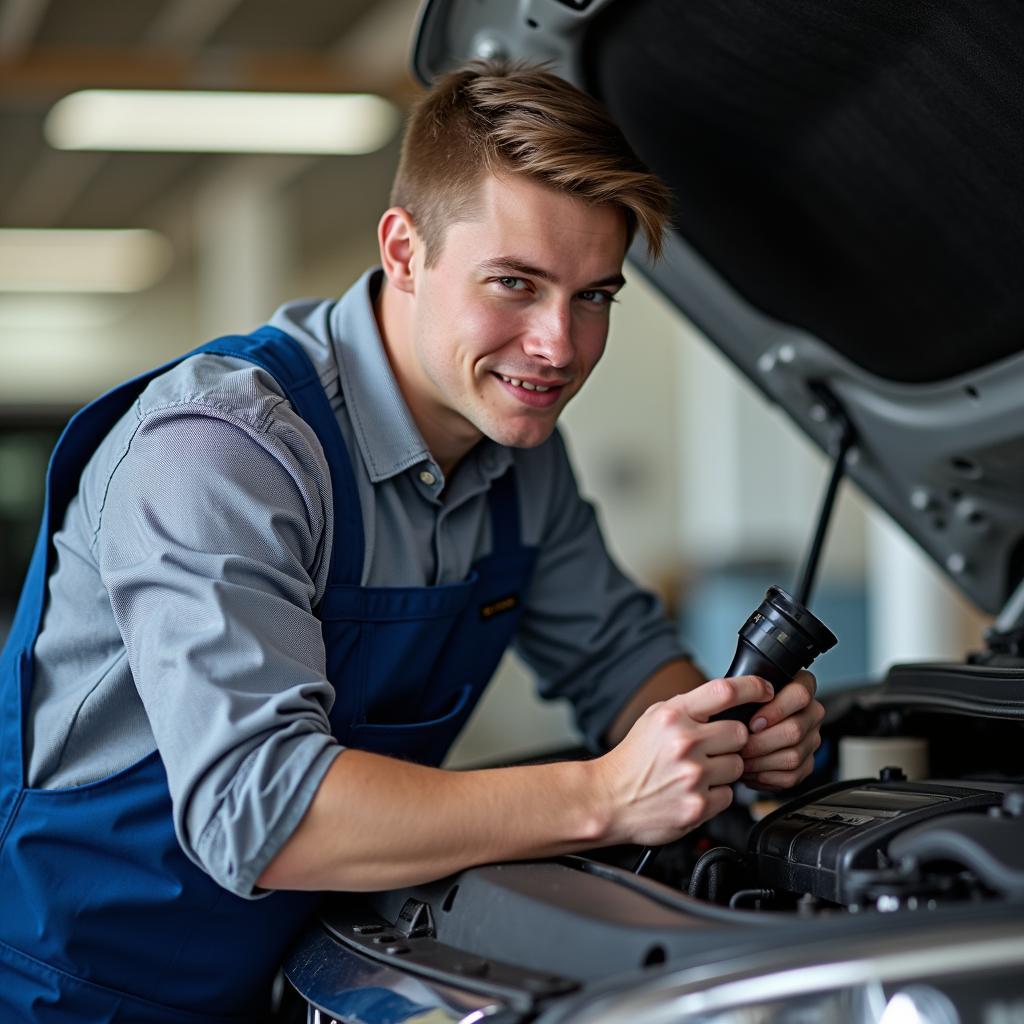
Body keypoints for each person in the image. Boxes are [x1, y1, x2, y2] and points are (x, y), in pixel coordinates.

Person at [0, 61, 823, 1021]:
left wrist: (719, 730)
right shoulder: (220, 452)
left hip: (286, 972)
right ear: (403, 252)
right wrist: (603, 794)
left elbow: (622, 663)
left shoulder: (521, 459)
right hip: (63, 988)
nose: (558, 346)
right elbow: (259, 814)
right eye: (514, 283)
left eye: (595, 296)